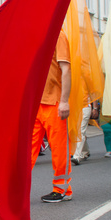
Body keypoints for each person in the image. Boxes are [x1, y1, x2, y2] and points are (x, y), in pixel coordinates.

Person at [31, 30, 72, 202]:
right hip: (35, 104)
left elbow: (66, 69)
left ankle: (62, 189)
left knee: (59, 149)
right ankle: (17, 189)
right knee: (27, 150)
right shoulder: (35, 36)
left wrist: (64, 101)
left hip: (53, 103)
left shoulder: (58, 35)